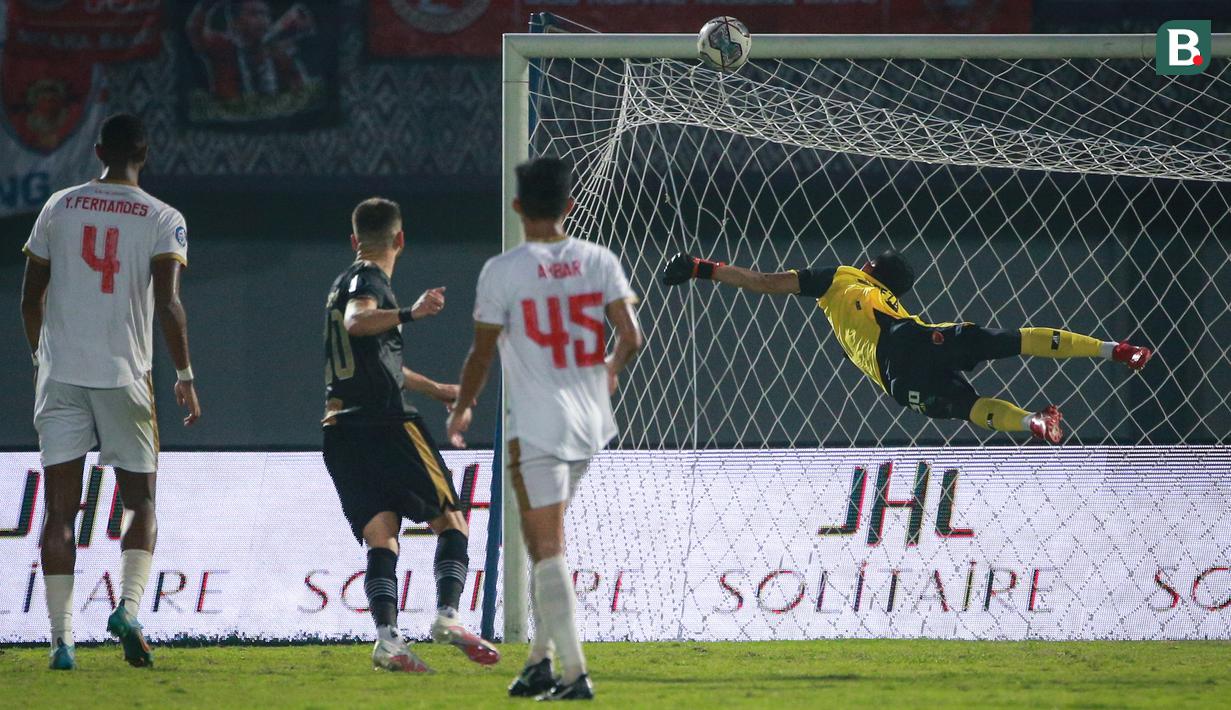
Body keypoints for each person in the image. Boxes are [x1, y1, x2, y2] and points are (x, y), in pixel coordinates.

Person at [447, 157, 643, 700]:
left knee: (545, 548)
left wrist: (463, 407)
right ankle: (538, 662)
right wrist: (608, 371)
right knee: (546, 545)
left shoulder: (503, 271)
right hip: (589, 421)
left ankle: (575, 675)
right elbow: (631, 335)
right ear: (569, 206)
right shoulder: (598, 260)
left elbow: (481, 354)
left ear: (517, 208)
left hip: (536, 424)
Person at [20, 113, 202, 671]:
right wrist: (185, 375)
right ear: (144, 155)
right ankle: (126, 609)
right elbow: (169, 304)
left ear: (97, 149)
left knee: (59, 512)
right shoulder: (162, 217)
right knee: (141, 501)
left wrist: (41, 359)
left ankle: (61, 642)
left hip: (62, 375)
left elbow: (31, 298)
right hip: (126, 374)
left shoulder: (60, 205)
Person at [661, 249, 1152, 443]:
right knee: (1006, 342)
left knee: (968, 405)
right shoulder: (889, 301)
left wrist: (702, 269)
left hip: (898, 382)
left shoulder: (842, 278)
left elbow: (764, 281)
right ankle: (1111, 351)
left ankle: (1032, 422)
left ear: (870, 269)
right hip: (913, 346)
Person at [321, 197, 498, 673]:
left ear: (354, 239)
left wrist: (437, 388)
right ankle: (447, 617)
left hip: (341, 429)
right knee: (452, 521)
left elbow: (380, 361)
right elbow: (360, 322)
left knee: (382, 534)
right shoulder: (369, 281)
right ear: (400, 239)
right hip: (385, 423)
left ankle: (388, 641)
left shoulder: (340, 284)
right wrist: (412, 313)